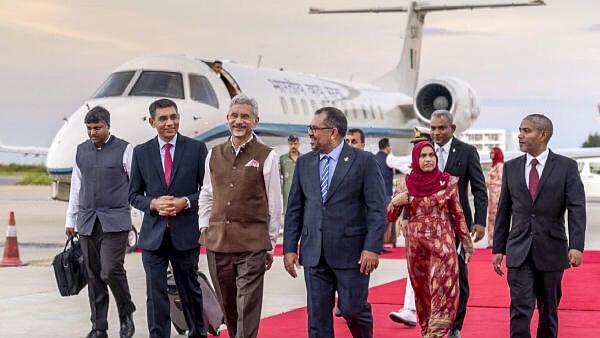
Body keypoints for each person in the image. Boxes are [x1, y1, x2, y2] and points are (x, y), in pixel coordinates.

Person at [283, 107, 387, 338]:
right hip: (313, 253)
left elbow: (377, 209)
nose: (310, 133)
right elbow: (295, 209)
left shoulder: (364, 161)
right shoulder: (305, 163)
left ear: (332, 132)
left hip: (352, 254)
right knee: (317, 319)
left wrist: (372, 247)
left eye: (314, 129)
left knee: (352, 309)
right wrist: (290, 248)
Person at [492, 114, 586, 338]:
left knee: (548, 311)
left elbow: (576, 209)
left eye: (526, 131)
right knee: (519, 309)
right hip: (518, 250)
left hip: (552, 251)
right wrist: (498, 248)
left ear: (543, 134)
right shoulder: (511, 168)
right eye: (520, 130)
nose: (520, 135)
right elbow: (504, 210)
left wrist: (576, 245)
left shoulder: (566, 167)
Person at [198, 94, 282, 338]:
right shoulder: (213, 154)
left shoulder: (267, 155)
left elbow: (274, 205)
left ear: (256, 120)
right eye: (234, 116)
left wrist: (270, 244)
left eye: (245, 116)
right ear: (227, 119)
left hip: (252, 244)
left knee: (247, 304)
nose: (239, 121)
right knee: (228, 304)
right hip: (218, 242)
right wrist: (204, 226)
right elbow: (206, 194)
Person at [129, 98, 208, 338]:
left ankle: (198, 332)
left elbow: (207, 191)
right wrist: (152, 204)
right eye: (163, 118)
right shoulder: (141, 153)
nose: (170, 122)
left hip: (185, 234)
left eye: (174, 117)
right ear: (152, 122)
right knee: (155, 294)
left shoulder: (196, 149)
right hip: (153, 236)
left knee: (190, 290)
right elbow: (132, 194)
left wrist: (185, 201)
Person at [388, 141, 473, 338]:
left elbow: (458, 214)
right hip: (416, 249)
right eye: (423, 156)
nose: (428, 159)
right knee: (422, 294)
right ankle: (427, 331)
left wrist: (467, 243)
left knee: (442, 291)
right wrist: (395, 202)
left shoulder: (448, 182)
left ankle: (436, 334)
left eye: (431, 155)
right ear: (416, 160)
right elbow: (390, 217)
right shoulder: (405, 183)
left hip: (443, 246)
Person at [65, 106, 136, 338]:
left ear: (108, 126)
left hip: (115, 221)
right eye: (89, 128)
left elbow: (135, 186)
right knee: (94, 275)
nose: (93, 132)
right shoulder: (81, 151)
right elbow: (76, 188)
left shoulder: (125, 149)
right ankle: (99, 327)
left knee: (111, 270)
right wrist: (70, 219)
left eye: (97, 128)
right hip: (86, 221)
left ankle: (126, 315)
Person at [429, 109, 487, 338]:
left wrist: (480, 221)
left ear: (452, 128)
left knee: (458, 276)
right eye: (433, 128)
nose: (436, 132)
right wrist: (405, 217)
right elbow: (412, 186)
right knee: (430, 276)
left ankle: (455, 326)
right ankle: (432, 322)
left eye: (441, 128)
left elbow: (479, 190)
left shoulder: (467, 151)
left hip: (457, 225)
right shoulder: (423, 151)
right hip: (428, 225)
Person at [375, 138, 396, 248]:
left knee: (378, 219)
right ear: (387, 146)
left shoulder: (374, 158)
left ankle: (379, 244)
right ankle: (379, 245)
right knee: (384, 220)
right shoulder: (389, 158)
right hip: (386, 193)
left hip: (376, 193)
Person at [486, 146, 504, 248]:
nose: (490, 154)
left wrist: (491, 182)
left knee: (497, 218)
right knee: (491, 218)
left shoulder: (500, 166)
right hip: (492, 195)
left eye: (492, 153)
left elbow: (502, 180)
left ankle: (497, 241)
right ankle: (491, 241)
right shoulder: (493, 166)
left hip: (497, 195)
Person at [280, 134, 301, 215]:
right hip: (287, 192)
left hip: (301, 191)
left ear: (299, 144)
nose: (293, 146)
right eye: (291, 144)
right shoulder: (283, 159)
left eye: (295, 144)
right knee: (288, 214)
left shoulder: (303, 159)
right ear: (288, 144)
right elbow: (277, 176)